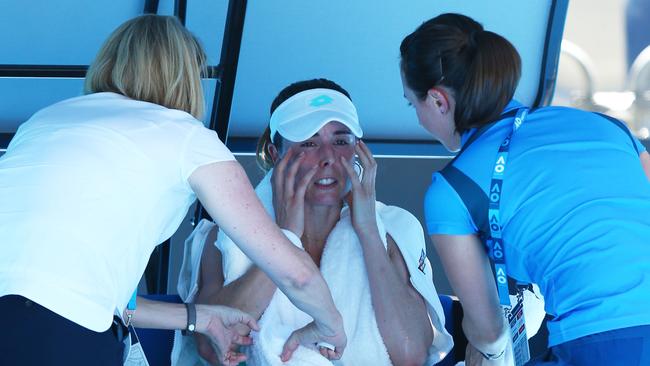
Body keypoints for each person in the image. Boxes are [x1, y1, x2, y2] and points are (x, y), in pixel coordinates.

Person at [0, 15, 346, 366]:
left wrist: (201, 318)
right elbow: (295, 273)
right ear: (186, 79)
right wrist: (331, 326)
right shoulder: (184, 135)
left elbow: (99, 294)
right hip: (53, 334)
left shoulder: (43, 121)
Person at [399, 13, 650, 366]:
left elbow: (489, 333)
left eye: (414, 104)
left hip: (601, 341)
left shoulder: (451, 190)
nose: (419, 118)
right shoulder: (610, 127)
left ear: (439, 101)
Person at [172, 79, 453, 366]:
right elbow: (211, 348)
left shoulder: (395, 230)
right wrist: (285, 238)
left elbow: (410, 355)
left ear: (358, 151)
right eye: (309, 142)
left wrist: (368, 231)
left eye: (341, 141)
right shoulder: (225, 235)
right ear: (274, 154)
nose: (328, 157)